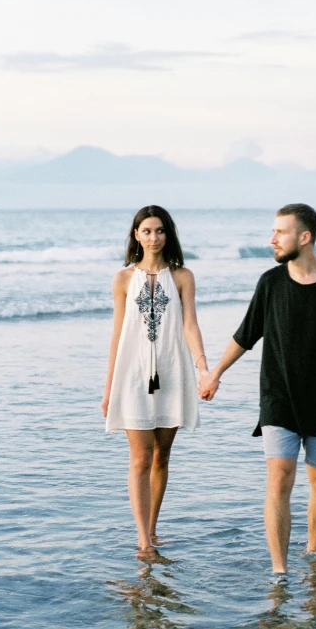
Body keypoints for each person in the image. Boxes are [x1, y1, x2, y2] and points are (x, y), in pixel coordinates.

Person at [199, 204, 316, 582]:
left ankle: (313, 554)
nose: (271, 239)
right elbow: (246, 334)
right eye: (272, 231)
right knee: (279, 478)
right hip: (278, 397)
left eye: (280, 232)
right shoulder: (270, 283)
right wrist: (215, 373)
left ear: (304, 237)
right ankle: (279, 571)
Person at [102, 205, 208, 561]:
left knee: (162, 456)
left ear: (168, 234)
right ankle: (143, 540)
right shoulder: (122, 279)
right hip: (131, 376)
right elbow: (118, 335)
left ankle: (153, 528)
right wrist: (108, 389)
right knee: (140, 458)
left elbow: (190, 325)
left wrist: (203, 367)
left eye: (160, 230)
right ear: (136, 235)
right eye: (146, 231)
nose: (153, 237)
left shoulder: (182, 276)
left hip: (173, 372)